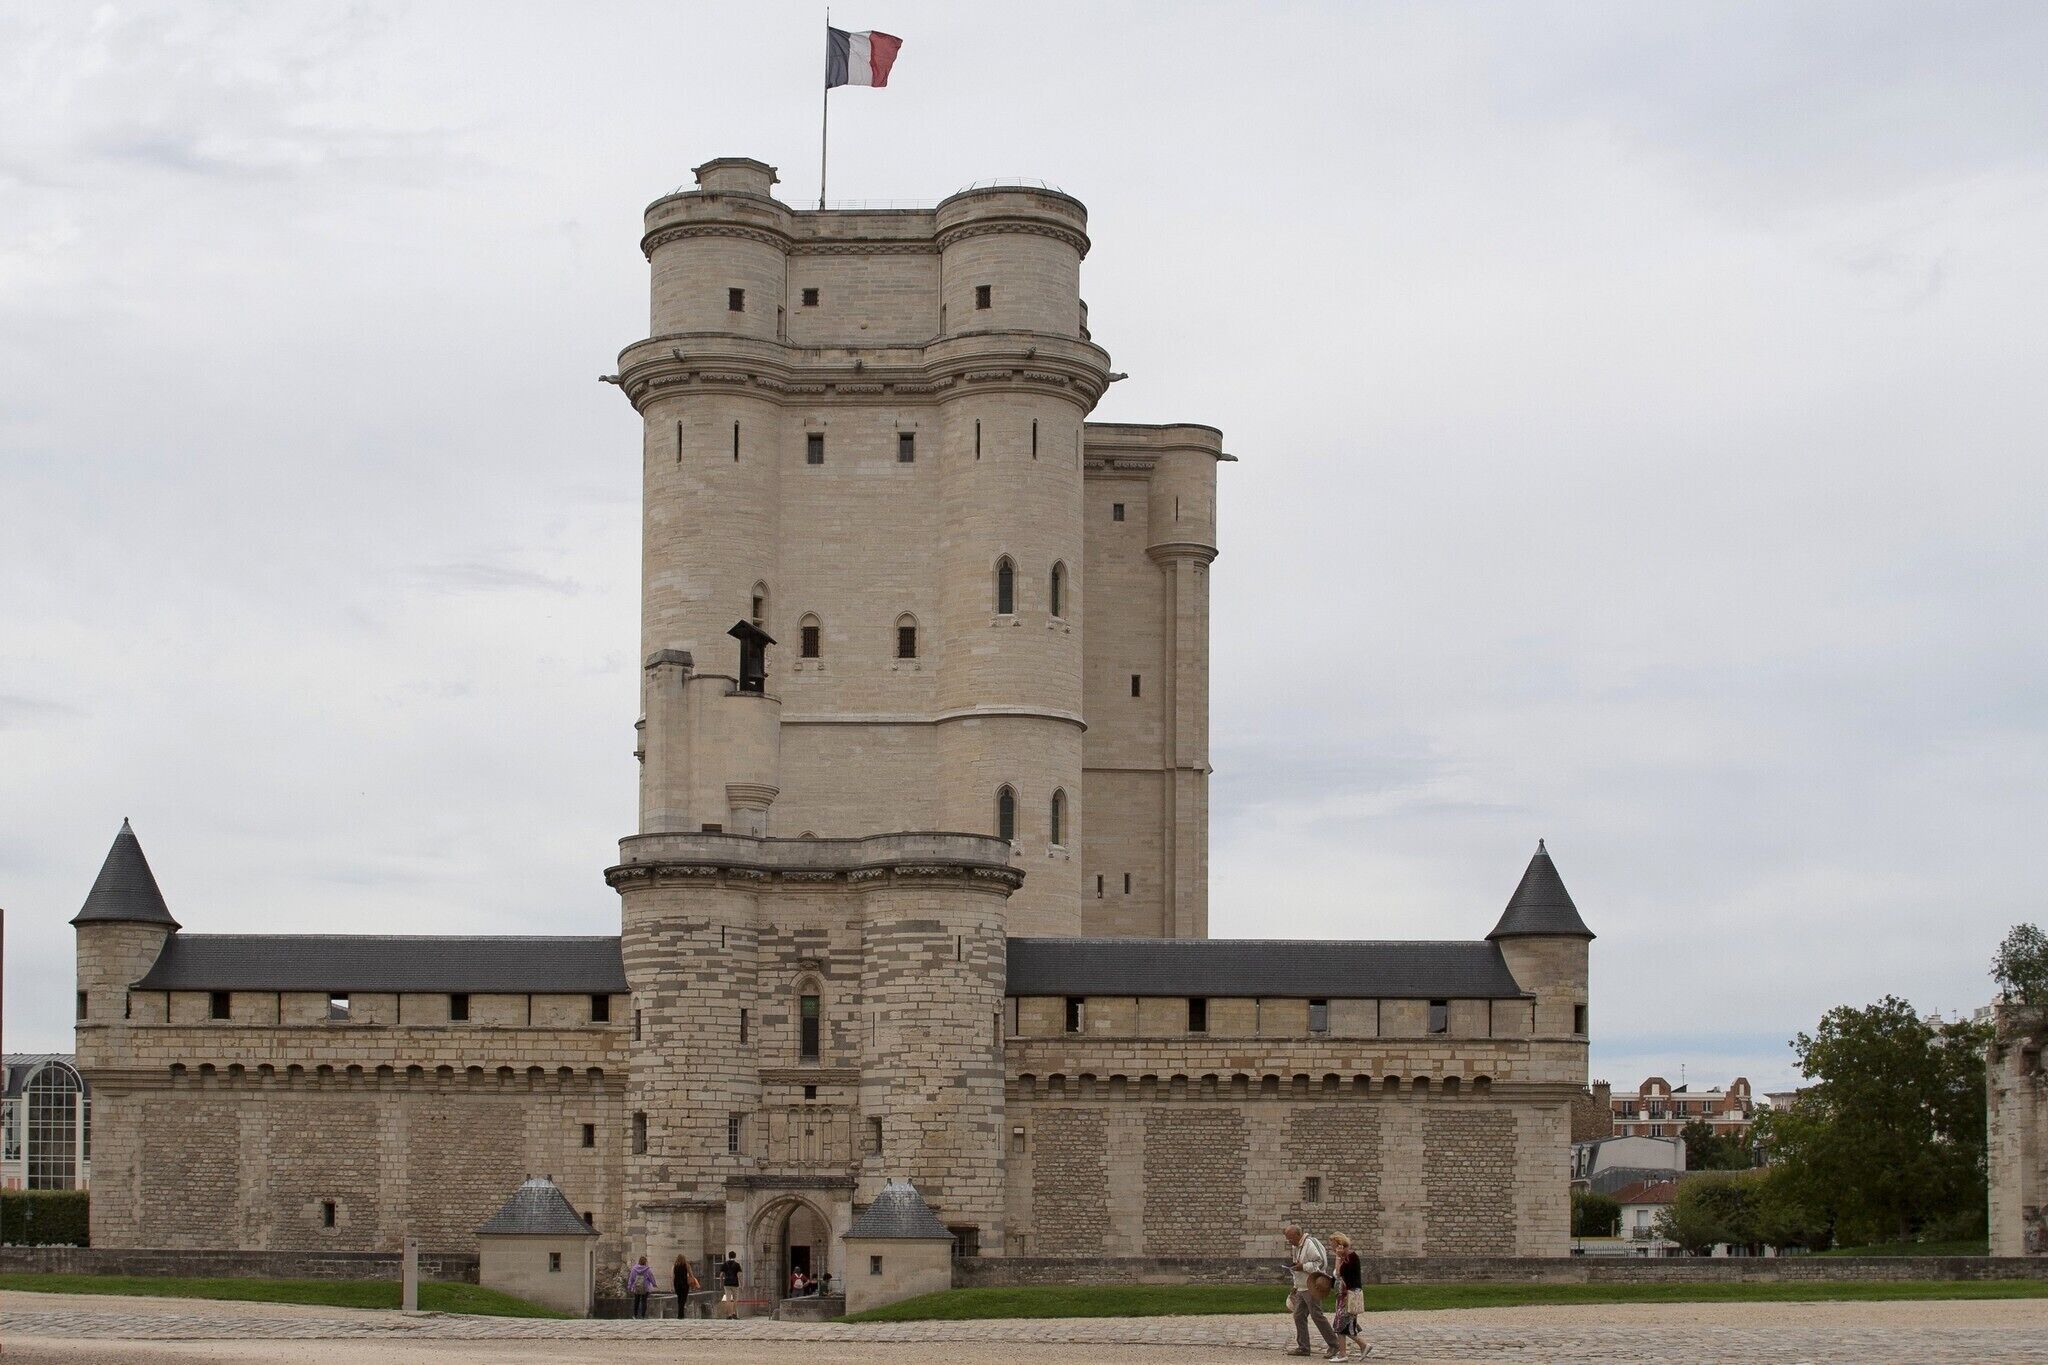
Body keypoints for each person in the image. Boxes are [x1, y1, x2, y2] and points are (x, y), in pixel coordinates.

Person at [1281, 1220, 1342, 1360]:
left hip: (1313, 1285)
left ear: (1298, 1235)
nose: (1289, 1241)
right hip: (1302, 1286)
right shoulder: (1296, 1247)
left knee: (1317, 1315)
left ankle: (1334, 1345)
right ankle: (1303, 1347)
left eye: (1290, 1238)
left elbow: (1321, 1263)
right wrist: (1295, 1285)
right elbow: (1299, 1265)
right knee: (1298, 1315)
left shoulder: (1310, 1243)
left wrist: (1303, 1266)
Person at [1327, 1232, 1372, 1359]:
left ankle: (1344, 1354)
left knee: (1341, 1324)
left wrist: (1338, 1257)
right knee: (1343, 1324)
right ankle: (1362, 1346)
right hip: (1343, 1295)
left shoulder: (1351, 1257)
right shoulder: (1345, 1257)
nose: (1333, 1249)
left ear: (1340, 1245)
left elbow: (1339, 1273)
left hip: (1349, 1295)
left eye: (1334, 1246)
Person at [672, 1251, 699, 1319]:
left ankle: (680, 1314)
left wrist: (672, 1286)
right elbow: (691, 1274)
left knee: (679, 1299)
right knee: (683, 1299)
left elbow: (673, 1276)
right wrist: (694, 1281)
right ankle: (681, 1314)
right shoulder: (686, 1265)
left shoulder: (675, 1266)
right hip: (684, 1284)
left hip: (677, 1284)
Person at [717, 1250, 743, 1319]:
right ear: (735, 1256)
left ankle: (729, 1315)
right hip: (735, 1284)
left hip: (727, 1283)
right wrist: (742, 1285)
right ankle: (734, 1313)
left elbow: (721, 1275)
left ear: (729, 1256)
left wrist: (721, 1283)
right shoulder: (737, 1265)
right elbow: (740, 1275)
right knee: (735, 1299)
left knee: (728, 1300)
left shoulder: (724, 1264)